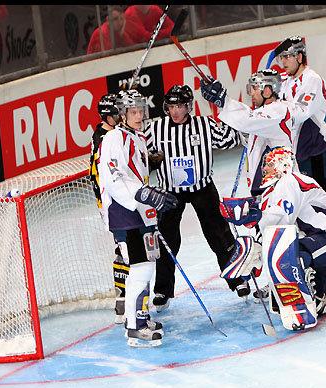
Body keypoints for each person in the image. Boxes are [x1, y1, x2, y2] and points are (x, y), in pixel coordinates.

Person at [219, 146, 326, 330]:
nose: (264, 169)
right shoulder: (277, 188)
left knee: (292, 255)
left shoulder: (290, 181)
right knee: (316, 297)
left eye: (269, 164)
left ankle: (304, 298)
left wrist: (253, 217)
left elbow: (281, 218)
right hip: (321, 239)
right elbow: (272, 224)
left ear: (282, 165)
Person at [144, 84, 250, 311]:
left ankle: (237, 278)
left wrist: (231, 112)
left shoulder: (204, 124)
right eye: (171, 106)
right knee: (167, 240)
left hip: (202, 188)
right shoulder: (156, 128)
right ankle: (162, 289)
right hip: (170, 192)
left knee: (219, 235)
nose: (175, 111)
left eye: (179, 106)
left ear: (188, 106)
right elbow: (139, 150)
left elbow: (230, 138)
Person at [97, 88, 178, 347]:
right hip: (123, 214)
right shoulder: (113, 138)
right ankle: (135, 325)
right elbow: (113, 178)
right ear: (121, 114)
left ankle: (139, 316)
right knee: (140, 267)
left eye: (141, 109)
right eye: (133, 111)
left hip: (136, 212)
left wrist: (153, 197)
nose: (139, 114)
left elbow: (135, 178)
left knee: (146, 266)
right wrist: (144, 195)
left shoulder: (137, 137)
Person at [200, 69, 307, 198]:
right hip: (268, 186)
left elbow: (248, 120)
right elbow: (249, 124)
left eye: (255, 88)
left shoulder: (279, 110)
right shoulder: (262, 114)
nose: (251, 94)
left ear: (267, 90)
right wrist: (221, 101)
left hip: (281, 186)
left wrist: (223, 100)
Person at [272, 36, 326, 192]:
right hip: (295, 152)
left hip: (315, 150)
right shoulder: (285, 81)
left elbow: (301, 113)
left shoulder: (312, 79)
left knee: (318, 201)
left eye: (287, 57)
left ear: (299, 57)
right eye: (281, 58)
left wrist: (278, 108)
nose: (283, 62)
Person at [89, 93, 129, 324]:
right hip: (112, 203)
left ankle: (124, 300)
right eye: (117, 113)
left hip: (113, 201)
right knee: (124, 250)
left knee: (125, 248)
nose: (121, 116)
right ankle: (123, 302)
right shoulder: (104, 140)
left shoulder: (106, 134)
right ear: (108, 116)